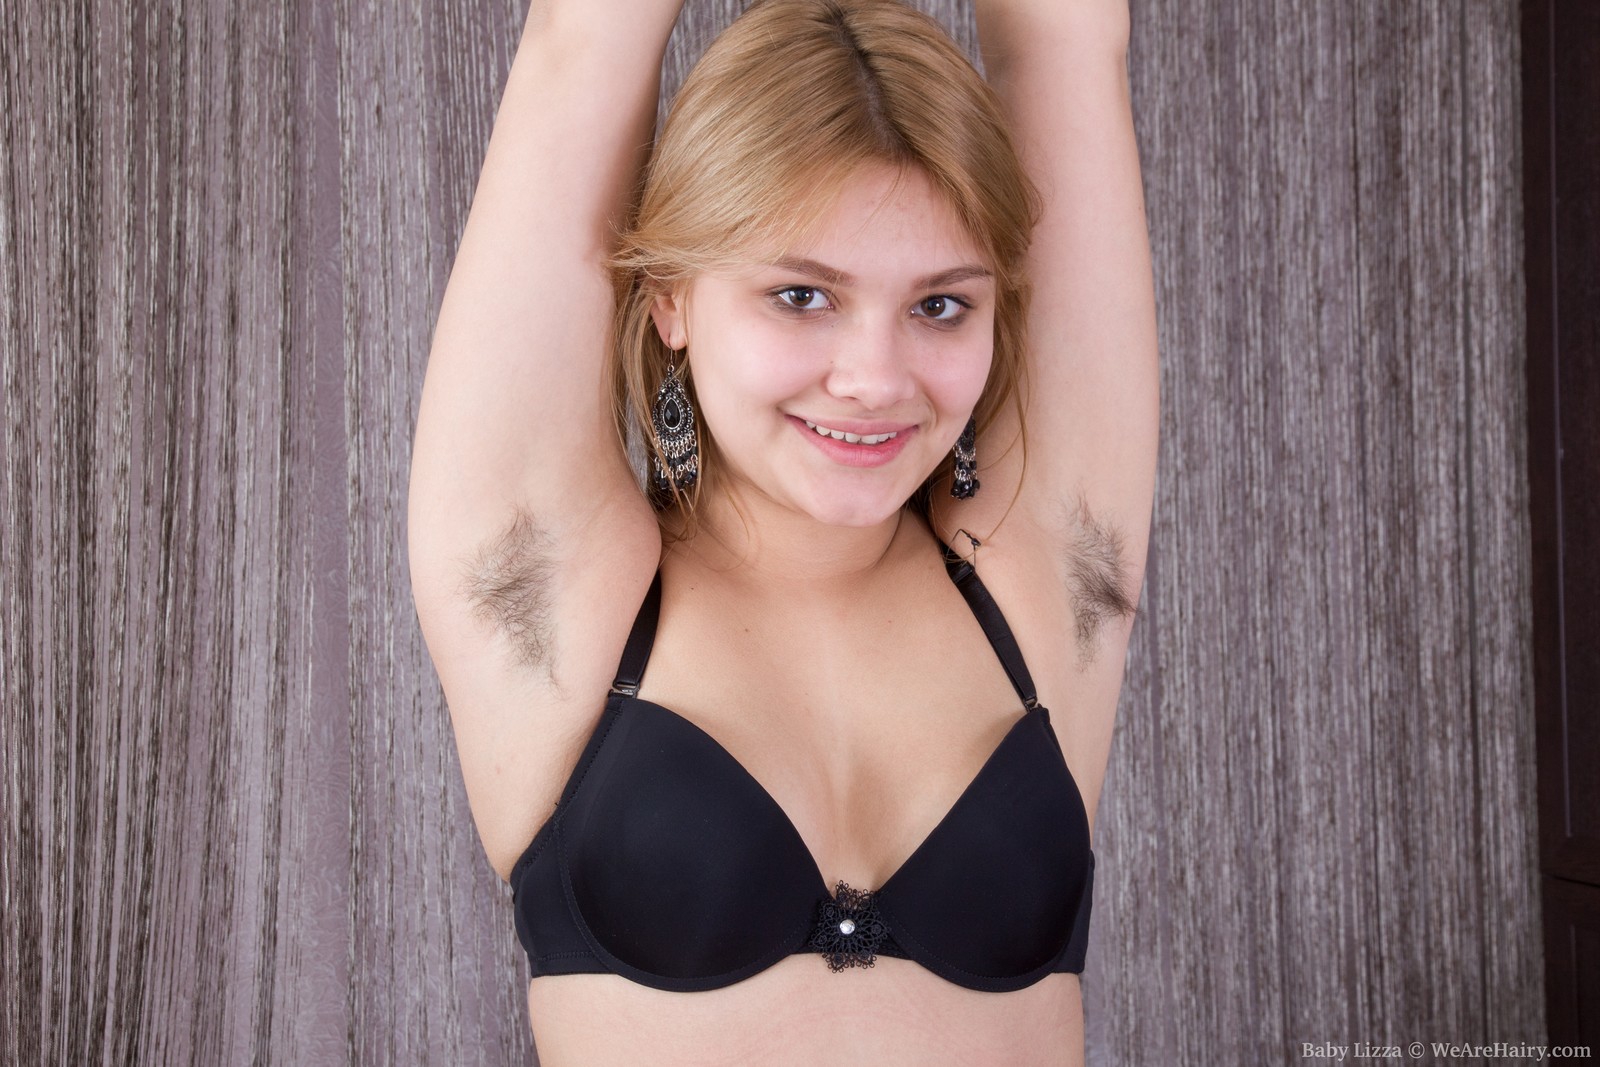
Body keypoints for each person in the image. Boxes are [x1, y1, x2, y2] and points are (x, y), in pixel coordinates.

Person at [408, 0, 1157, 1061]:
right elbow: (582, 39)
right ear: (670, 296)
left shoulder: (1042, 576)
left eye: (940, 306)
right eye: (802, 295)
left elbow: (1064, 37)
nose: (875, 379)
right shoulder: (557, 590)